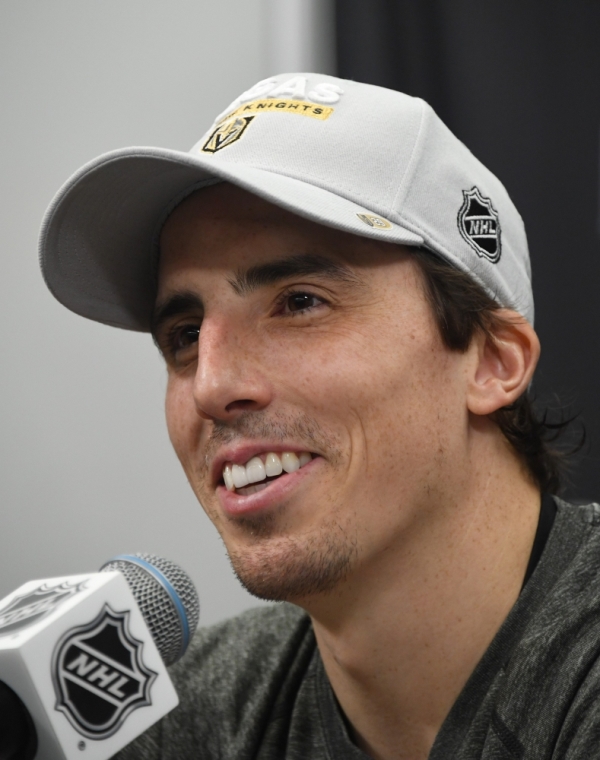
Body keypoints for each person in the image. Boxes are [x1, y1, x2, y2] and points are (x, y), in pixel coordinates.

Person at [39, 74, 599, 760]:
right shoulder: (189, 716)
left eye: (299, 303)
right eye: (184, 335)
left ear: (490, 360)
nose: (211, 385)